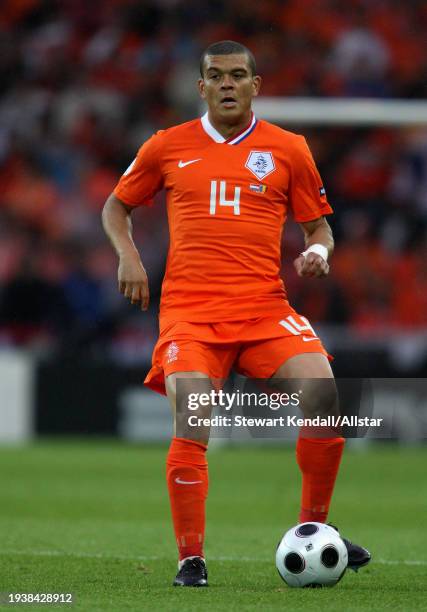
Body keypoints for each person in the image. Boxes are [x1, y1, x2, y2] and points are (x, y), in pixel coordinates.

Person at [102, 40, 371, 587]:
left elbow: (318, 226)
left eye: (238, 75)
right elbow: (116, 205)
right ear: (201, 88)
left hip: (264, 308)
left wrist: (318, 252)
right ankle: (191, 559)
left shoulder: (289, 149)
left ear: (256, 86)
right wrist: (128, 256)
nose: (227, 84)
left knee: (323, 390)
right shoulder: (166, 146)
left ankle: (313, 532)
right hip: (191, 315)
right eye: (216, 76)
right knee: (194, 416)